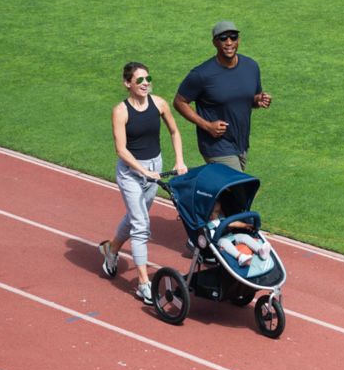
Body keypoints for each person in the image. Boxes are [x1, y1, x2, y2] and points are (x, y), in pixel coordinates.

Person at [99, 62, 187, 304]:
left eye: (148, 78)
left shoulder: (159, 104)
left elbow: (174, 132)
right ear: (127, 83)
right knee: (141, 225)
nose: (145, 83)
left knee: (135, 216)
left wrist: (179, 160)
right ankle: (144, 284)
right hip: (131, 172)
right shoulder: (121, 111)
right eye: (139, 80)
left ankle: (111, 250)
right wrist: (143, 171)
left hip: (154, 167)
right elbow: (121, 150)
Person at [173, 20, 271, 172]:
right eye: (223, 38)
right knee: (239, 185)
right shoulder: (202, 74)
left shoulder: (251, 67)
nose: (229, 42)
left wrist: (258, 100)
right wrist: (207, 126)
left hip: (241, 143)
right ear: (215, 42)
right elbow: (179, 102)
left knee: (230, 186)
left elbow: (249, 99)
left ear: (238, 40)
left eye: (233, 37)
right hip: (216, 145)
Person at [206, 197, 271, 266]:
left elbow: (233, 223)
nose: (213, 214)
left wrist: (245, 225)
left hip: (230, 237)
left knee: (244, 237)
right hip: (218, 242)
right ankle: (240, 257)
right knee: (224, 242)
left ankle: (260, 250)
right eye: (210, 212)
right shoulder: (205, 223)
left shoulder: (219, 219)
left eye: (216, 212)